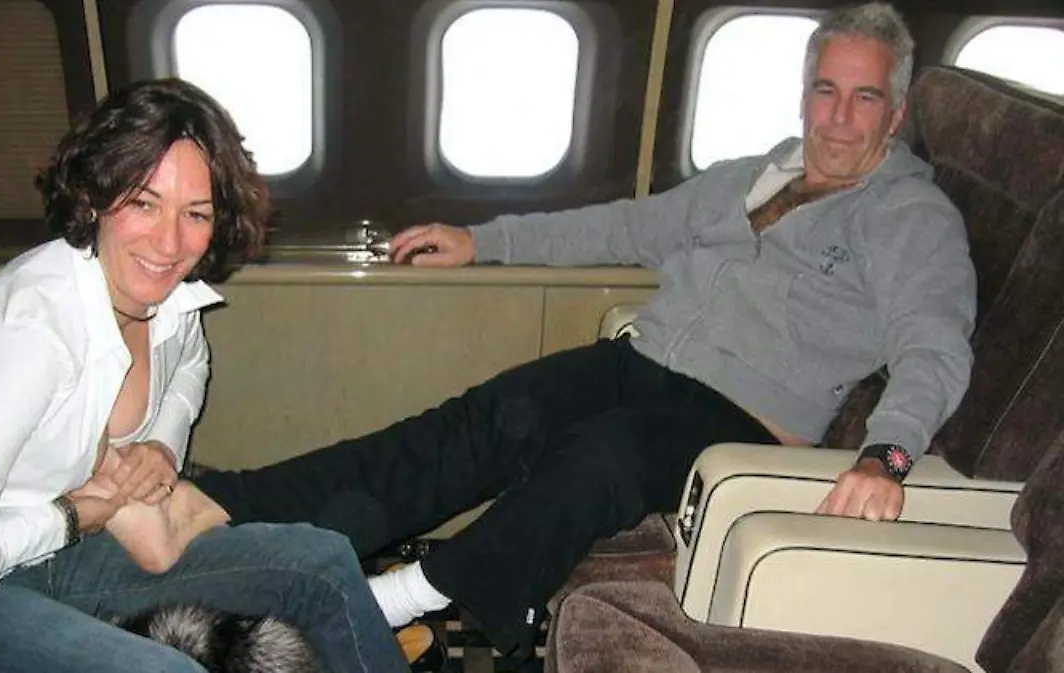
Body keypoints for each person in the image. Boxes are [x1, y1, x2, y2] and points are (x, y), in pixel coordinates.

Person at [189, 0, 976, 659]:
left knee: (603, 455)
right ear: (803, 94)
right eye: (825, 90)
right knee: (479, 419)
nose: (838, 118)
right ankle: (232, 506)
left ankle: (391, 598)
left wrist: (887, 456)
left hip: (745, 424)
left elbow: (934, 347)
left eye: (864, 97)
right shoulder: (749, 176)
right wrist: (483, 242)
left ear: (896, 112)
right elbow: (622, 227)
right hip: (639, 366)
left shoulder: (911, 217)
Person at [0, 79, 408, 673]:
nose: (170, 243)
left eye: (195, 214)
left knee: (322, 564)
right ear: (94, 196)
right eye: (144, 203)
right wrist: (66, 519)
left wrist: (162, 447)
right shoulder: (29, 339)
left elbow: (190, 370)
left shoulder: (169, 301)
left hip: (58, 554)